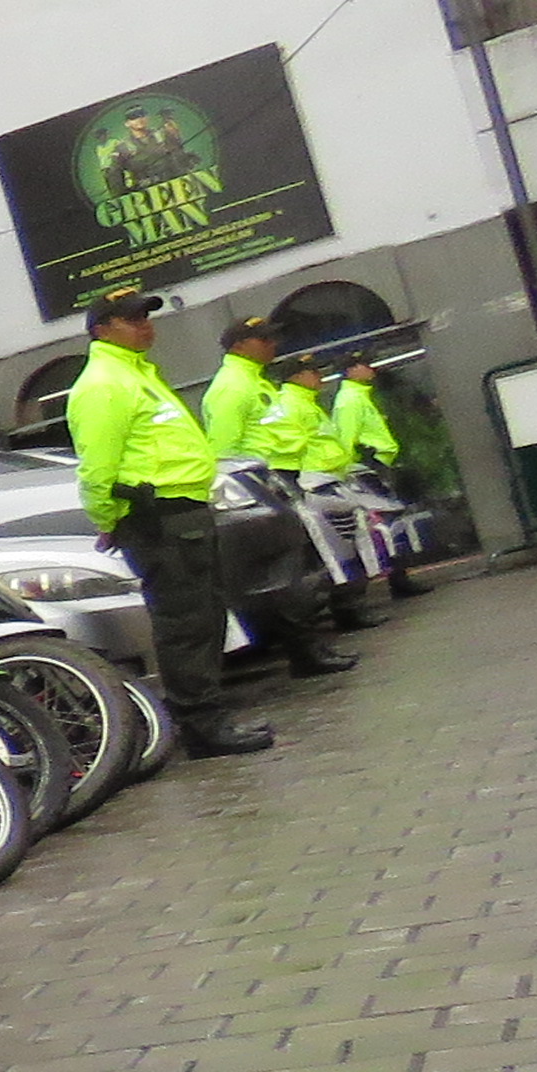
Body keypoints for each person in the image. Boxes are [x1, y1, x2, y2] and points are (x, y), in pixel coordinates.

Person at [68, 292, 270, 757]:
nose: (145, 325)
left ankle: (206, 712)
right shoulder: (104, 384)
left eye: (147, 316)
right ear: (102, 329)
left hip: (183, 514)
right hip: (158, 519)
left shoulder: (135, 374)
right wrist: (110, 520)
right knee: (186, 624)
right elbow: (96, 468)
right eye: (131, 319)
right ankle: (201, 724)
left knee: (203, 619)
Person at [199, 314, 360, 677]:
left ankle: (310, 649)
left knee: (299, 572)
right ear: (240, 345)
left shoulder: (255, 382)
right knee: (287, 576)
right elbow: (223, 450)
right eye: (264, 339)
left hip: (279, 479)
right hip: (258, 485)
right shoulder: (232, 387)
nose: (273, 345)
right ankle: (305, 654)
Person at [329, 359, 431, 596]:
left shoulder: (359, 396)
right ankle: (397, 580)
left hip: (375, 465)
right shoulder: (349, 401)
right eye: (363, 365)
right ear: (350, 371)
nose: (370, 369)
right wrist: (356, 468)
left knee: (392, 523)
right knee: (385, 525)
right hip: (366, 467)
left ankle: (400, 577)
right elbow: (346, 440)